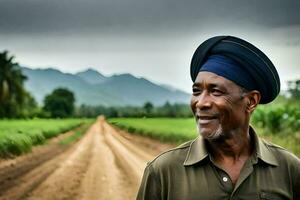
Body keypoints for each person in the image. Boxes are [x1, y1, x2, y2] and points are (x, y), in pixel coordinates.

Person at [136, 36, 300, 200]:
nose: (201, 103)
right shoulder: (163, 172)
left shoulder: (289, 169)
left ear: (251, 101)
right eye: (196, 91)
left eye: (216, 91)